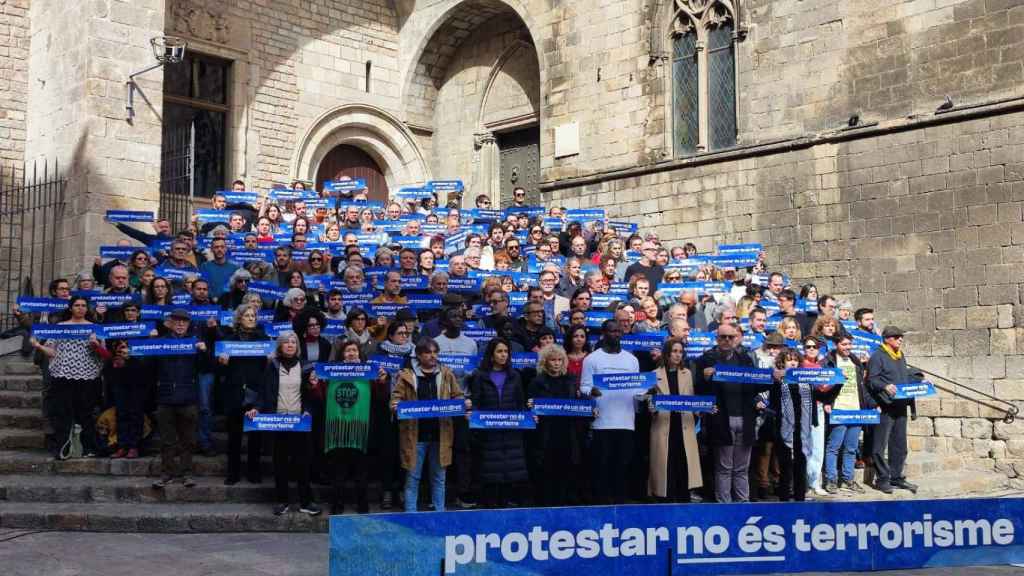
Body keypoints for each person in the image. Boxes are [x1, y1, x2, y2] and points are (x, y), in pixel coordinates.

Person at [246, 332, 321, 516]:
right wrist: (256, 407)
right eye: (286, 342)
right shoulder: (272, 365)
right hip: (278, 422)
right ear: (279, 346)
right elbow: (264, 392)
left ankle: (306, 502)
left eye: (293, 342)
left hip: (299, 422)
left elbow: (311, 395)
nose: (290, 345)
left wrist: (308, 410)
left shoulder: (306, 366)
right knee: (280, 464)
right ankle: (282, 501)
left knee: (302, 464)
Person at [390, 338, 468, 512]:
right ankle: (411, 516)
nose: (433, 356)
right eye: (428, 352)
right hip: (414, 435)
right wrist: (395, 406)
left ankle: (439, 515)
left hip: (441, 435)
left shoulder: (447, 374)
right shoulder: (406, 375)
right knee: (413, 478)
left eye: (435, 352)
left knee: (439, 479)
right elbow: (395, 399)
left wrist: (463, 403)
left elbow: (458, 396)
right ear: (418, 355)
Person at [29, 296, 108, 459]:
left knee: (86, 413)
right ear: (71, 308)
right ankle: (63, 448)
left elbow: (104, 354)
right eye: (77, 305)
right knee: (62, 412)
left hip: (88, 376)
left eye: (83, 305)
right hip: (63, 375)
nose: (80, 308)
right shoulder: (60, 327)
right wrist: (38, 346)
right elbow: (52, 352)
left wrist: (96, 345)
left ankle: (89, 448)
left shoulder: (95, 328)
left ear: (87, 309)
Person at [698, 322, 763, 503]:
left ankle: (742, 504)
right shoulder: (706, 359)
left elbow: (756, 386)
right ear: (716, 339)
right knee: (724, 467)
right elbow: (698, 390)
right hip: (721, 420)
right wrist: (704, 379)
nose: (727, 340)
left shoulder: (746, 360)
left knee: (742, 468)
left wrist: (771, 377)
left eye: (730, 337)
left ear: (737, 338)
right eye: (723, 337)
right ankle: (724, 506)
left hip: (746, 419)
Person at [579, 319, 640, 504]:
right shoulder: (592, 359)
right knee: (602, 466)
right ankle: (602, 502)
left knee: (622, 465)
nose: (616, 335)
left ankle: (620, 501)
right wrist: (591, 392)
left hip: (626, 422)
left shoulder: (632, 360)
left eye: (619, 332)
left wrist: (648, 391)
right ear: (604, 334)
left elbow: (637, 389)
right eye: (612, 332)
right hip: (601, 422)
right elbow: (584, 387)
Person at [467, 338, 529, 508]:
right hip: (489, 433)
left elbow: (520, 403)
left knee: (509, 475)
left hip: (511, 433)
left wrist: (527, 418)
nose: (503, 355)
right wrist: (473, 416)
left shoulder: (515, 375)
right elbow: (476, 401)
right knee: (490, 476)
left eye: (506, 352)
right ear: (491, 355)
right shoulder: (480, 375)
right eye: (499, 352)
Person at [215, 303, 270, 485]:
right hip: (234, 393)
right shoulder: (229, 340)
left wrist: (270, 360)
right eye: (247, 316)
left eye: (253, 316)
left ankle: (253, 472)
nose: (251, 319)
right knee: (234, 437)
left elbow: (267, 372)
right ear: (239, 319)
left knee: (255, 437)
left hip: (255, 393)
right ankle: (233, 473)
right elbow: (220, 373)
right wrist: (222, 363)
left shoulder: (264, 340)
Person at [150, 309, 204, 489]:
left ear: (189, 324)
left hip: (188, 398)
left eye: (184, 322)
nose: (181, 324)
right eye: (177, 321)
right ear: (169, 323)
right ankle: (167, 474)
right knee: (167, 440)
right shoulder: (159, 342)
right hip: (165, 398)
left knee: (188, 440)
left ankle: (187, 473)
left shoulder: (195, 342)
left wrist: (203, 352)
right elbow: (147, 366)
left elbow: (208, 367)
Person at [647, 337, 702, 502]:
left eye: (680, 352)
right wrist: (652, 407)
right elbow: (649, 399)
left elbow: (692, 400)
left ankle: (684, 496)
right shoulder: (654, 375)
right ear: (667, 353)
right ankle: (665, 497)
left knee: (683, 461)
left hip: (684, 424)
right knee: (666, 463)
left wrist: (704, 408)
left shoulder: (687, 373)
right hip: (663, 425)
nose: (678, 355)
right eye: (674, 351)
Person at [866, 326, 919, 494]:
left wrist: (920, 383)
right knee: (880, 445)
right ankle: (882, 479)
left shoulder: (900, 356)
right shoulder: (877, 357)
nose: (900, 339)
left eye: (900, 336)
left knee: (899, 445)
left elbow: (904, 377)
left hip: (901, 405)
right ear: (887, 339)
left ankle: (896, 477)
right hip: (886, 406)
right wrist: (885, 385)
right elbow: (871, 380)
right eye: (896, 337)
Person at [530, 344, 584, 506]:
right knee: (546, 472)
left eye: (560, 360)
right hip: (545, 434)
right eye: (553, 360)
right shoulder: (536, 382)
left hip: (567, 434)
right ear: (545, 362)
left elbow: (578, 405)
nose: (556, 363)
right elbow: (530, 406)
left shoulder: (571, 380)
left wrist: (589, 410)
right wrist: (531, 408)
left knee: (566, 471)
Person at [821, 333, 867, 494]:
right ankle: (831, 480)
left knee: (851, 448)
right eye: (844, 344)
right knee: (834, 447)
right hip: (839, 409)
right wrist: (827, 401)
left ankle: (848, 479)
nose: (848, 347)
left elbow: (862, 386)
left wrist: (871, 405)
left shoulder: (855, 361)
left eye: (849, 344)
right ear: (836, 345)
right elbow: (823, 386)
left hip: (855, 410)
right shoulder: (829, 361)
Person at [773, 348, 809, 501]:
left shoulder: (805, 381)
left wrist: (838, 384)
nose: (793, 362)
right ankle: (784, 498)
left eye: (795, 359)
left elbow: (821, 397)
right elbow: (770, 400)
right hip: (783, 427)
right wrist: (776, 381)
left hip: (802, 428)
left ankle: (800, 497)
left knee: (801, 464)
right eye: (789, 359)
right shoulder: (777, 380)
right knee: (785, 465)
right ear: (782, 362)